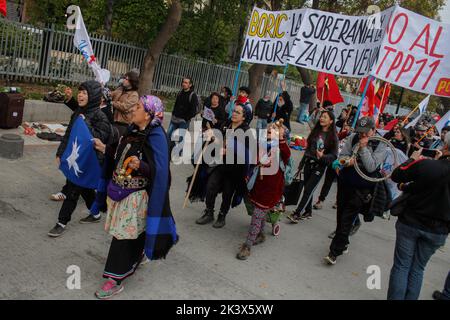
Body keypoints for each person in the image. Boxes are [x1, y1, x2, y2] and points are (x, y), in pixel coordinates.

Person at [94, 95, 178, 299]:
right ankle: (138, 255)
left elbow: (161, 172)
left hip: (137, 197)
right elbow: (119, 153)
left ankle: (114, 279)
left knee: (122, 236)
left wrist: (141, 166)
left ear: (149, 114)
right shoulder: (132, 130)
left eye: (138, 107)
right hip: (120, 192)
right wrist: (104, 148)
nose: (133, 109)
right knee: (133, 233)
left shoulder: (157, 136)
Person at [387, 134, 450, 300]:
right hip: (438, 230)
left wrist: (412, 159)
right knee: (417, 269)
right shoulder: (432, 165)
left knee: (402, 266)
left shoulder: (428, 165)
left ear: (445, 146)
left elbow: (397, 175)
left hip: (412, 222)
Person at [47, 80, 112, 237]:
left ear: (94, 96)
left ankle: (61, 222)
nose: (80, 95)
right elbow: (69, 134)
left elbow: (101, 137)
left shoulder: (101, 117)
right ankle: (96, 213)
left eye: (85, 93)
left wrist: (86, 123)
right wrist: (60, 152)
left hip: (90, 161)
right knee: (85, 188)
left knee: (73, 189)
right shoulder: (77, 112)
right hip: (75, 158)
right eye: (80, 92)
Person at [324, 117, 388, 265]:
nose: (362, 135)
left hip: (362, 187)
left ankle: (334, 251)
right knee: (341, 215)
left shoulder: (381, 144)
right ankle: (343, 242)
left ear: (373, 130)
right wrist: (344, 162)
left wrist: (364, 148)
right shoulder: (353, 137)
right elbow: (342, 155)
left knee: (347, 217)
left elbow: (372, 166)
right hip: (346, 182)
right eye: (360, 132)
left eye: (366, 133)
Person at [237, 121, 291, 260]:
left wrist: (280, 138)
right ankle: (260, 234)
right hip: (258, 185)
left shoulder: (281, 147)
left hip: (271, 189)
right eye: (269, 127)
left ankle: (247, 245)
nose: (270, 128)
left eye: (275, 128)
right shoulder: (261, 144)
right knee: (258, 211)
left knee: (257, 214)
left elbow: (287, 154)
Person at [195, 103, 252, 228]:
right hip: (219, 164)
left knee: (227, 193)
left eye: (238, 112)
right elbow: (217, 138)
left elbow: (245, 152)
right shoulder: (226, 124)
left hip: (234, 169)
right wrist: (209, 136)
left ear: (244, 117)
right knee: (211, 186)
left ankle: (222, 215)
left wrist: (228, 150)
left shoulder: (246, 131)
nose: (234, 113)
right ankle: (209, 212)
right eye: (234, 111)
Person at [287, 110, 338, 223]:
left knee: (308, 190)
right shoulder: (316, 131)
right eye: (321, 116)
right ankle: (308, 211)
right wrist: (302, 164)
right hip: (308, 163)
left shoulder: (333, 137)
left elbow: (334, 156)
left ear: (331, 121)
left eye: (325, 117)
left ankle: (297, 213)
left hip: (319, 167)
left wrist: (323, 156)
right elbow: (308, 149)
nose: (321, 118)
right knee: (307, 189)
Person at [167, 77, 199, 156]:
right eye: (183, 82)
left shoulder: (193, 95)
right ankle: (170, 150)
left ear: (190, 85)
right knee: (169, 135)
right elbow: (176, 104)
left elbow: (193, 111)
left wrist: (186, 118)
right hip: (174, 118)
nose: (184, 84)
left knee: (181, 138)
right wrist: (173, 113)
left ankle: (179, 152)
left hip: (184, 121)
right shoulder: (180, 93)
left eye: (186, 83)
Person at [111, 70, 140, 136]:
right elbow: (111, 94)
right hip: (113, 119)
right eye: (124, 78)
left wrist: (112, 103)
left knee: (114, 139)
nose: (124, 80)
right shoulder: (120, 89)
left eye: (127, 79)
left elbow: (124, 107)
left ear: (132, 82)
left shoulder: (134, 95)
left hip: (122, 123)